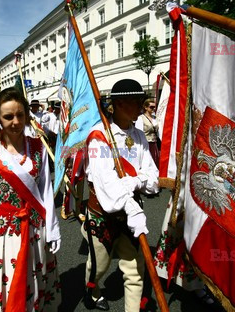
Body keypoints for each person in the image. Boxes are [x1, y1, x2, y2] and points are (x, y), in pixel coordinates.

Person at [0, 87, 61, 311]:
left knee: (36, 278)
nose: (15, 121)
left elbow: (46, 191)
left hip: (36, 229)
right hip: (7, 235)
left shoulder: (38, 148)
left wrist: (52, 228)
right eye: (8, 116)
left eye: (20, 115)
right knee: (12, 282)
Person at [82, 79, 159, 311]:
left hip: (132, 212)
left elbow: (153, 179)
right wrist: (135, 186)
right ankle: (92, 290)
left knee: (135, 270)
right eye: (136, 102)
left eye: (140, 101)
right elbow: (110, 190)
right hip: (103, 214)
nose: (140, 106)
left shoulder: (139, 136)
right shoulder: (99, 137)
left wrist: (135, 181)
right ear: (118, 104)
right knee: (99, 267)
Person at [135, 99, 160, 167]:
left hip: (155, 144)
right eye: (151, 107)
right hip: (146, 144)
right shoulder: (141, 118)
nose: (153, 109)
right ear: (146, 107)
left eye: (154, 107)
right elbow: (138, 133)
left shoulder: (155, 118)